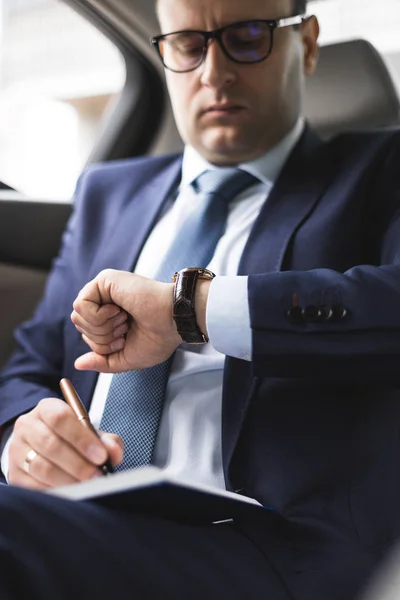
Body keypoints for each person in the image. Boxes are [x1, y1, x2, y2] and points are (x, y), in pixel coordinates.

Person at [0, 0, 399, 597]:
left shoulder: (379, 171)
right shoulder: (110, 192)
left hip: (266, 545)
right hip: (74, 515)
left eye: (246, 37)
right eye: (188, 45)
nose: (213, 72)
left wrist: (191, 312)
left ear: (307, 44)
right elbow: (30, 362)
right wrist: (23, 443)